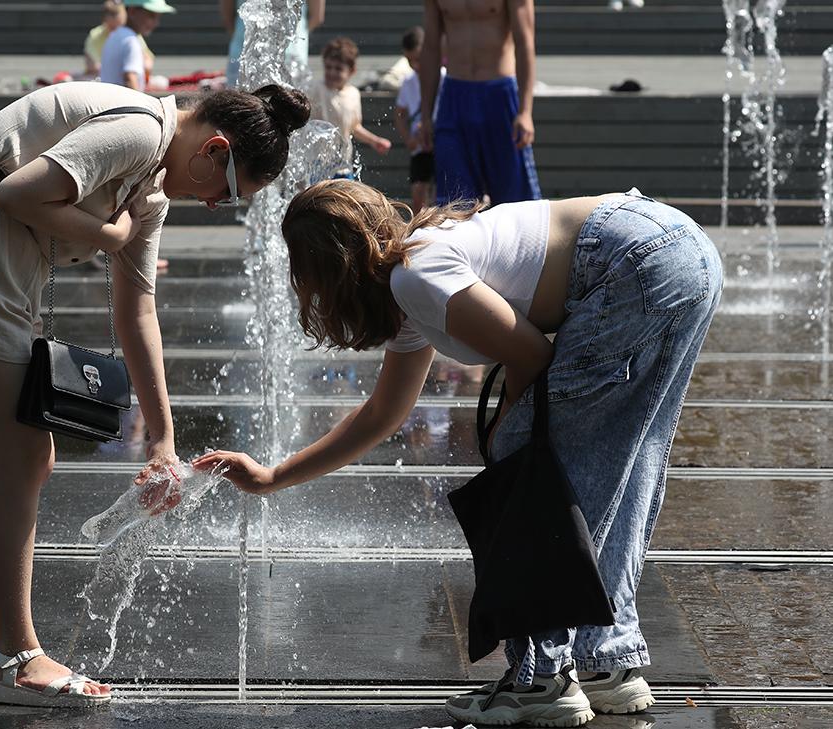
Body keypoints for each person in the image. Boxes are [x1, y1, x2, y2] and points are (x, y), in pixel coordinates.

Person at [194, 179, 723, 727]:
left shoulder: (418, 274)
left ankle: (540, 678)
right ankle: (607, 662)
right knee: (624, 464)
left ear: (328, 267)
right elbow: (382, 414)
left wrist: (501, 432)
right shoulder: (414, 277)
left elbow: (531, 354)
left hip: (637, 260)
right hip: (680, 250)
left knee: (527, 465)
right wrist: (273, 476)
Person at [0, 80, 310, 708]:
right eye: (228, 194)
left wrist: (164, 439)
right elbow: (18, 192)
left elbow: (137, 309)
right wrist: (111, 236)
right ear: (214, 151)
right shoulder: (140, 129)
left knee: (20, 457)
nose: (217, 206)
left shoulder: (153, 189)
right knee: (23, 456)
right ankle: (19, 657)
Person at [419, 0, 540, 206]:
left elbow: (525, 42)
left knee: (516, 205)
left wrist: (525, 111)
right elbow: (431, 46)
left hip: (499, 95)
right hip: (454, 96)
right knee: (454, 205)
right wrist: (426, 115)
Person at [307, 37, 392, 178]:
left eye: (338, 69)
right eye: (328, 67)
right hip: (318, 163)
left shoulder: (353, 94)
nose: (332, 72)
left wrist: (374, 140)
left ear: (352, 71)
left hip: (343, 164)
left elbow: (354, 127)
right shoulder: (316, 89)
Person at [393, 26, 441, 213]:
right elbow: (399, 113)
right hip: (420, 145)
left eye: (419, 59)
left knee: (440, 191)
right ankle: (421, 227)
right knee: (418, 191)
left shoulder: (443, 76)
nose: (416, 65)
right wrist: (408, 139)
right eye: (410, 61)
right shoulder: (408, 82)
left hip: (440, 143)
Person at [222, 0, 324, 88]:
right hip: (291, 55)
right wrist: (294, 39)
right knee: (291, 108)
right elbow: (317, 16)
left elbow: (227, 16)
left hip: (243, 55)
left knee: (240, 107)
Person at [99, 0, 173, 90]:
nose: (156, 23)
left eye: (158, 17)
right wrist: (141, 103)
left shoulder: (115, 35)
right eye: (151, 16)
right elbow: (130, 79)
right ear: (132, 11)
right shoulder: (130, 41)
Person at [84, 0, 127, 78]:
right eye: (112, 28)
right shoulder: (95, 35)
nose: (115, 32)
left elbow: (147, 62)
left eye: (118, 28)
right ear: (104, 20)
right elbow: (93, 66)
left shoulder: (130, 35)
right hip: (99, 79)